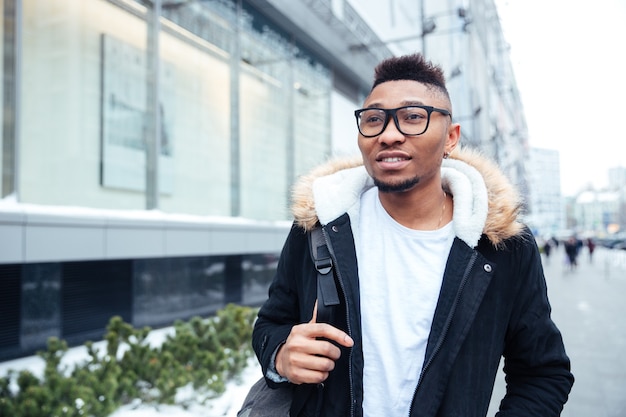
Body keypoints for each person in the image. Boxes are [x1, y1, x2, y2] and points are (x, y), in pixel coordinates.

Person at [251, 53, 573, 417]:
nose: (389, 135)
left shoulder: (501, 246)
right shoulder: (320, 224)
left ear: (451, 138)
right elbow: (270, 325)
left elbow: (543, 373)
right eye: (373, 119)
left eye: (413, 117)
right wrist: (281, 354)